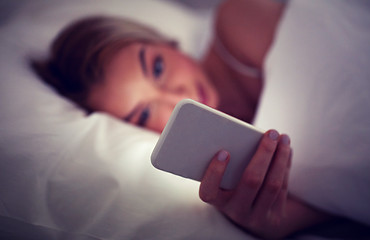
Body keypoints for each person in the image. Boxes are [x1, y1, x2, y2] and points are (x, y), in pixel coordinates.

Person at [32, 0, 333, 238]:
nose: (175, 96)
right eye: (145, 113)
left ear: (165, 42)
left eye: (158, 68)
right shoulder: (231, 169)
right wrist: (273, 224)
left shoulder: (238, 20)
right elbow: (343, 195)